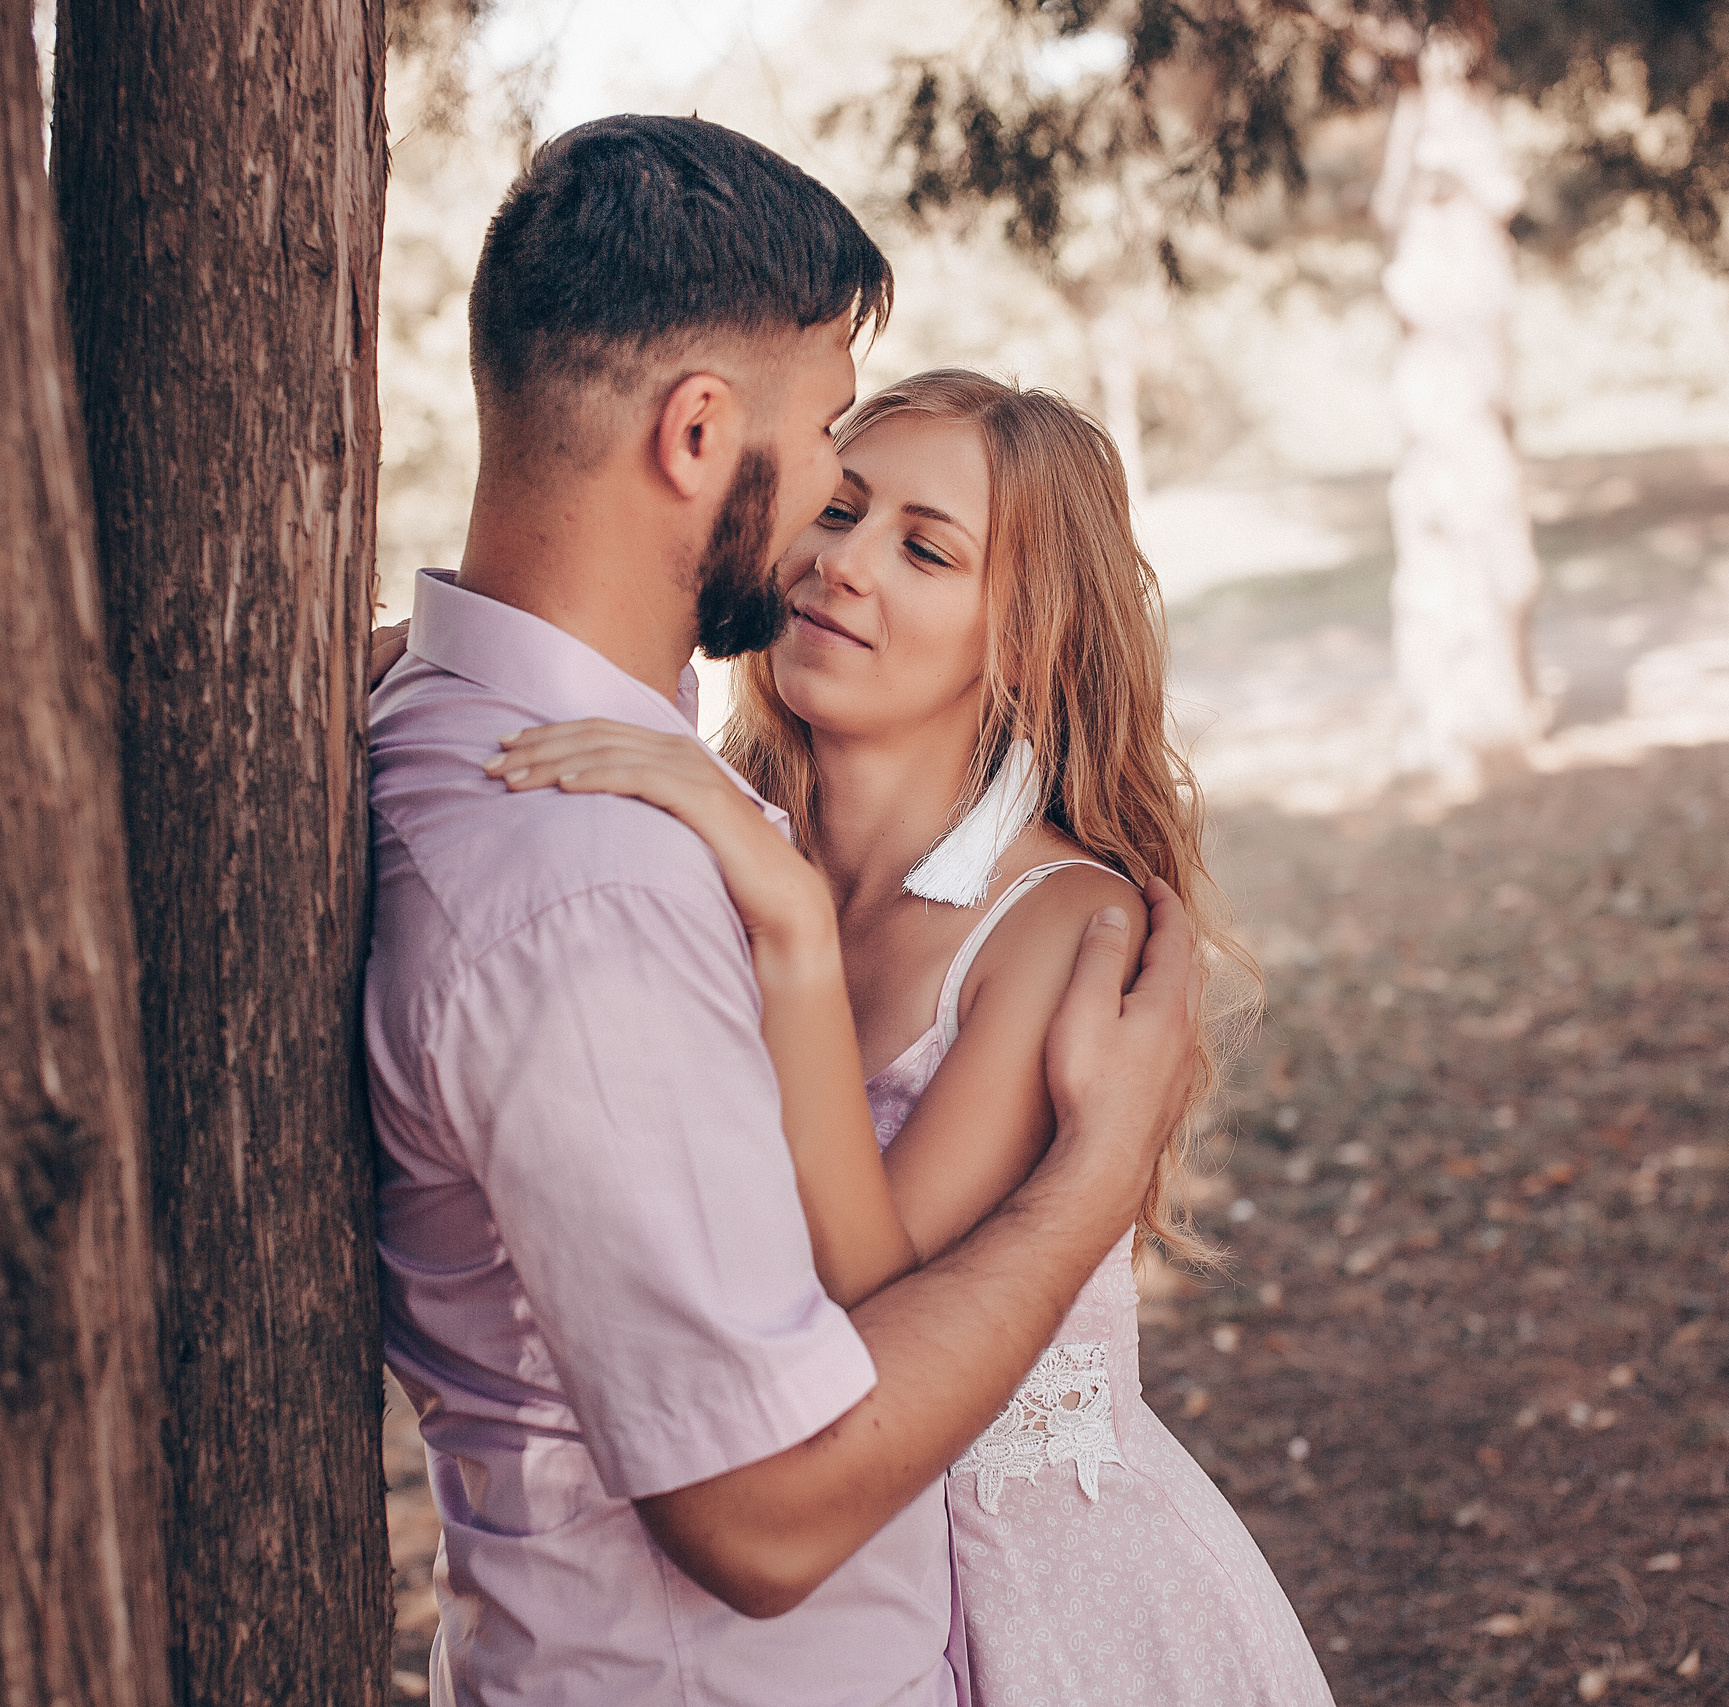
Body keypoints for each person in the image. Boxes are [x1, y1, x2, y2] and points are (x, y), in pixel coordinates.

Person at [363, 117, 1204, 1707]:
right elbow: (762, 1513)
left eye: (919, 539)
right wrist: (1095, 1175)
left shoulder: (529, 752)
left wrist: (424, 642)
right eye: (832, 454)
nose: (833, 524)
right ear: (698, 437)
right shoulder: (599, 887)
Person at [488, 371, 1335, 1705]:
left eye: (923, 548)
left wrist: (797, 946)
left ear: (1023, 638)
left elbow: (872, 1307)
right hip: (808, 1620)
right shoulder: (723, 832)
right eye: (836, 509)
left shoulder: (1065, 926)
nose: (842, 564)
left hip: (1049, 1602)